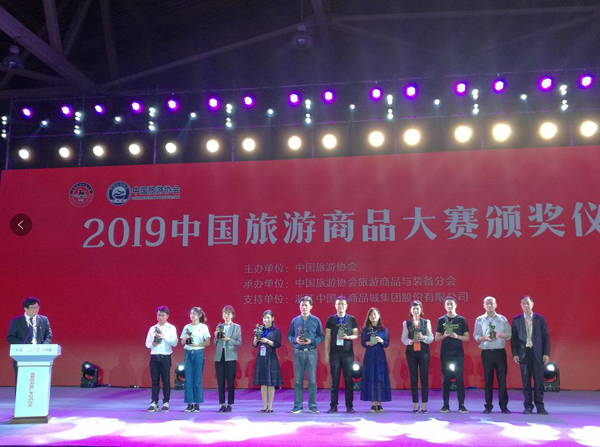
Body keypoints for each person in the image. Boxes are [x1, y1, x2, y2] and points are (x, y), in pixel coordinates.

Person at [511, 295, 550, 415]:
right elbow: (514, 339)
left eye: (528, 303)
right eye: (523, 304)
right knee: (526, 381)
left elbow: (546, 338)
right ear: (520, 305)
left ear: (532, 304)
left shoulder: (540, 319)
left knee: (539, 381)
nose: (526, 306)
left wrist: (546, 353)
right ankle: (528, 406)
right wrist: (515, 353)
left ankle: (540, 406)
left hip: (537, 353)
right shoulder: (516, 320)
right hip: (524, 354)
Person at [473, 296, 512, 414]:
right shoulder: (479, 319)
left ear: (496, 305)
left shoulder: (502, 319)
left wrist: (500, 334)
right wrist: (484, 338)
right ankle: (488, 406)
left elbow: (509, 334)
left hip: (500, 352)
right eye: (487, 303)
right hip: (487, 353)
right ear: (483, 305)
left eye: (491, 303)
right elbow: (476, 336)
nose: (489, 305)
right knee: (488, 380)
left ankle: (504, 406)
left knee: (502, 380)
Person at [287, 296, 324, 414]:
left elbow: (321, 336)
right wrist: (295, 340)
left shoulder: (316, 320)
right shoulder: (295, 320)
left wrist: (311, 341)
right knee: (298, 381)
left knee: (312, 381)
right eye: (302, 305)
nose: (303, 307)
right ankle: (298, 406)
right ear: (299, 306)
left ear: (311, 307)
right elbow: (289, 336)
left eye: (306, 305)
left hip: (311, 353)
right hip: (298, 353)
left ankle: (312, 406)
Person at [324, 296, 359, 414]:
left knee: (349, 381)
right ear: (335, 306)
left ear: (346, 306)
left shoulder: (351, 319)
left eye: (343, 304)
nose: (340, 306)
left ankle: (349, 406)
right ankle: (333, 406)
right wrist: (326, 353)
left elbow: (356, 335)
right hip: (334, 354)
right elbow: (327, 337)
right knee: (334, 381)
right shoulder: (331, 319)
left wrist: (347, 337)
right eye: (338, 304)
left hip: (348, 354)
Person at [435, 296, 470, 414]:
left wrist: (457, 336)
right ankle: (445, 405)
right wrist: (445, 335)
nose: (449, 306)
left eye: (451, 304)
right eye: (447, 304)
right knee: (445, 380)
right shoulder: (441, 320)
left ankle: (461, 406)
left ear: (456, 305)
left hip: (458, 354)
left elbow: (467, 337)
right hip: (445, 354)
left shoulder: (461, 320)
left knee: (459, 379)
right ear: (445, 306)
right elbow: (437, 338)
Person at [7, 297, 53, 383]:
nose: (36, 309)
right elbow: (10, 338)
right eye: (33, 307)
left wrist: (43, 347)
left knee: (38, 382)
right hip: (22, 356)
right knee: (22, 383)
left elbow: (48, 335)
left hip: (40, 356)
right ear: (25, 309)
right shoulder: (16, 321)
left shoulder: (44, 320)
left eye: (37, 307)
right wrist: (24, 347)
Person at [401, 300, 434, 413]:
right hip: (411, 353)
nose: (415, 310)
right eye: (413, 308)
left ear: (421, 310)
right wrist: (411, 341)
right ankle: (415, 404)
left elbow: (431, 338)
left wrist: (423, 337)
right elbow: (403, 339)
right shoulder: (406, 323)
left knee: (424, 378)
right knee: (413, 378)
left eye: (417, 308)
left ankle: (424, 404)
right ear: (410, 310)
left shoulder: (426, 322)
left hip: (424, 352)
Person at [145, 305, 178, 412]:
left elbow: (175, 343)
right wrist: (153, 344)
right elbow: (147, 343)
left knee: (166, 380)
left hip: (165, 357)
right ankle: (154, 402)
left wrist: (164, 337)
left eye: (163, 315)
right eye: (159, 315)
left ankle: (166, 402)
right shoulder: (152, 329)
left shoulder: (171, 328)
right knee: (154, 380)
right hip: (154, 356)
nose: (160, 317)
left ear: (167, 316)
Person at [360, 307, 391, 413]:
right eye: (371, 315)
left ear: (378, 316)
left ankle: (379, 403)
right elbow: (363, 343)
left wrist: (381, 340)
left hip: (380, 356)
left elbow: (387, 344)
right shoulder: (365, 330)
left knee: (380, 378)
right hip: (369, 356)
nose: (373, 316)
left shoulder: (384, 330)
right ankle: (373, 403)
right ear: (368, 317)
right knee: (371, 378)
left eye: (375, 314)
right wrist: (368, 343)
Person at [180, 307, 210, 413]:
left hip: (198, 353)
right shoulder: (187, 327)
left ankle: (197, 403)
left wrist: (197, 344)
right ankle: (189, 403)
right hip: (188, 353)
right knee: (188, 378)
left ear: (199, 315)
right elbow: (182, 342)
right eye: (191, 313)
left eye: (195, 314)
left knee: (197, 378)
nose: (192, 315)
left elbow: (207, 342)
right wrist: (186, 338)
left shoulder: (203, 327)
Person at [252, 310, 283, 412]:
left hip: (271, 357)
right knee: (263, 383)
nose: (266, 320)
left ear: (272, 318)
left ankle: (270, 405)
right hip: (261, 357)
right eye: (265, 318)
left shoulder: (276, 331)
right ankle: (264, 405)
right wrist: (255, 341)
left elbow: (278, 344)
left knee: (271, 383)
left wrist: (268, 341)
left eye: (268, 318)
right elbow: (255, 345)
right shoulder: (259, 329)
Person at [214, 305, 242, 412]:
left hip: (230, 357)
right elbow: (215, 343)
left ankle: (230, 404)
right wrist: (216, 336)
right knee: (220, 381)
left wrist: (228, 339)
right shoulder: (219, 326)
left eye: (228, 314)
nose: (226, 316)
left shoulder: (236, 327)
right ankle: (222, 404)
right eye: (225, 314)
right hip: (219, 356)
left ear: (232, 315)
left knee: (230, 381)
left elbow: (239, 342)